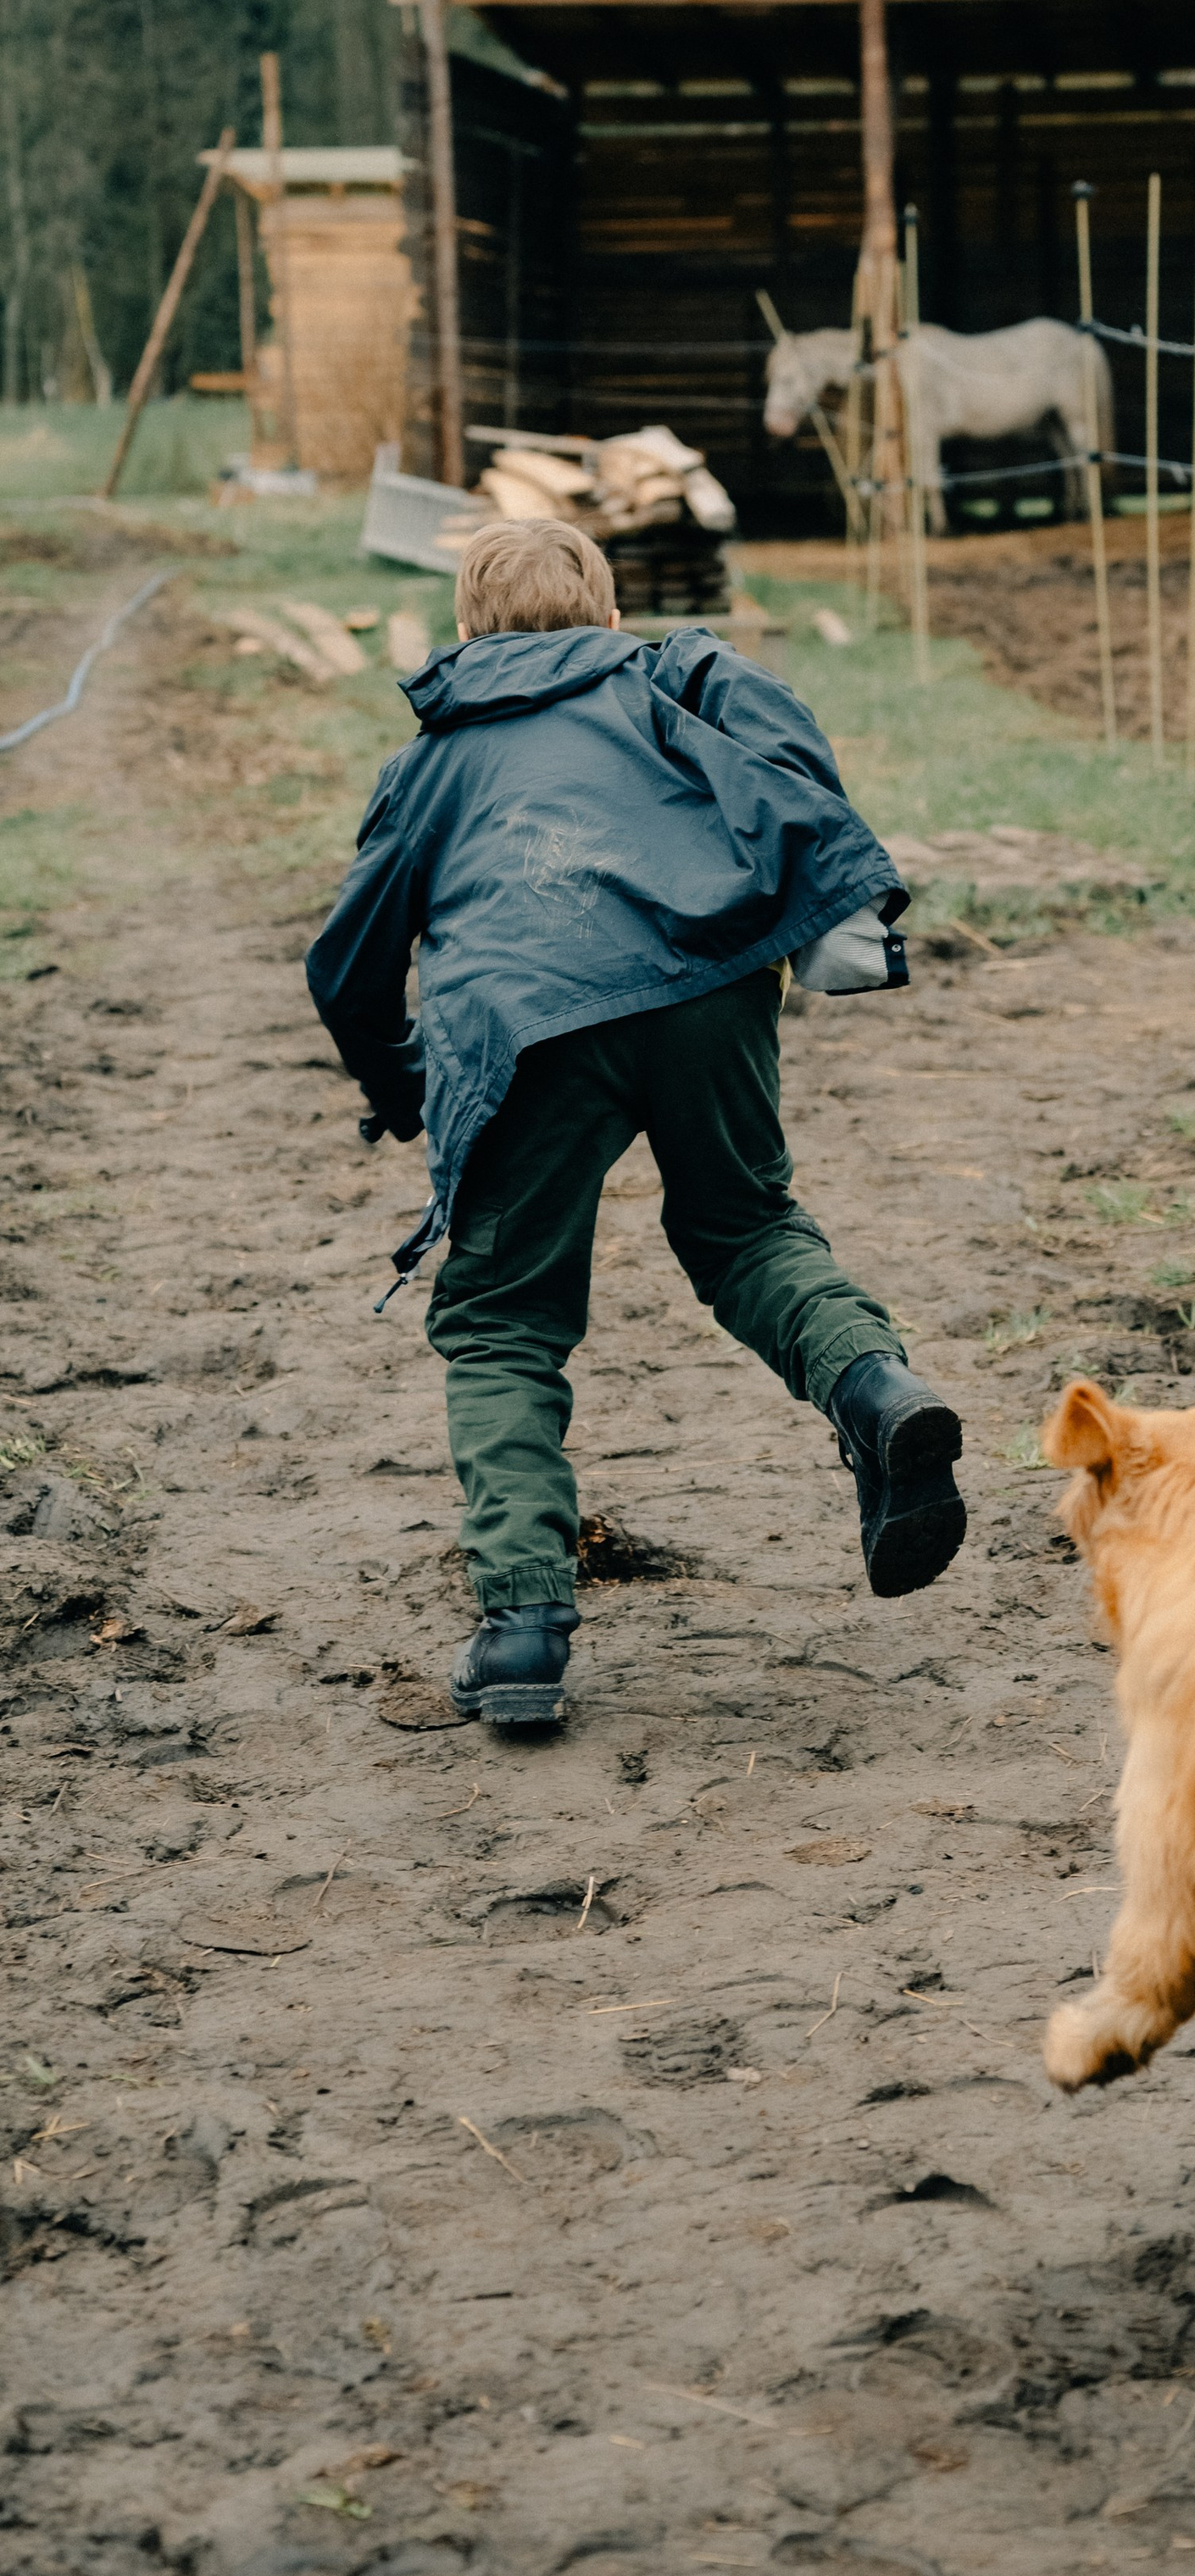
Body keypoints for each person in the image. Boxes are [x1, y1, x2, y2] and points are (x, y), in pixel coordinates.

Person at [305, 516, 964, 1726]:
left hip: (527, 1024)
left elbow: (345, 971)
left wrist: (404, 1093)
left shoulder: (432, 762)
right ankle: (875, 1392)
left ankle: (520, 1632)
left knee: (504, 1318)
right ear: (609, 617)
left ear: (465, 633)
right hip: (705, 987)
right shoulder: (664, 692)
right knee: (746, 1228)